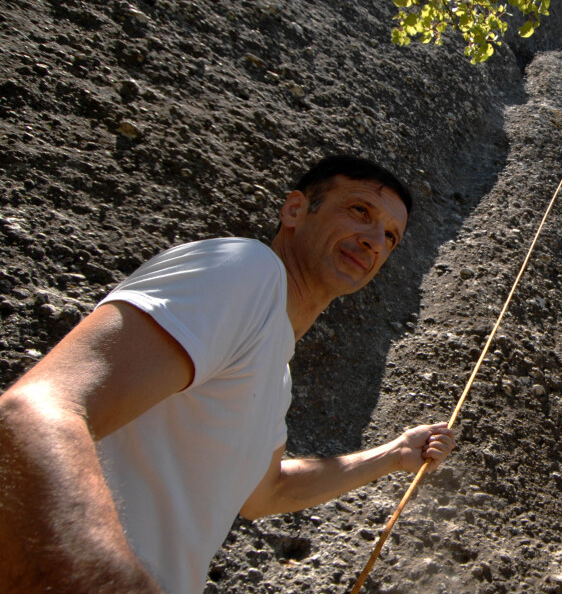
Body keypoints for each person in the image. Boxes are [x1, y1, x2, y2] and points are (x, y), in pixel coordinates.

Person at [0, 156, 455, 594]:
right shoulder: (245, 272)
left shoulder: (275, 368)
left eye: (391, 236)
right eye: (360, 210)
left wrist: (395, 454)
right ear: (295, 209)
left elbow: (266, 493)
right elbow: (32, 411)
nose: (375, 239)